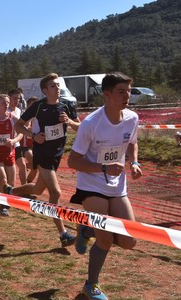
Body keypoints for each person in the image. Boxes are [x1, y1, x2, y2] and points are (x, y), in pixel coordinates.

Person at [67, 72, 141, 300]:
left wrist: (135, 161)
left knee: (129, 241)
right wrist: (103, 168)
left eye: (128, 91)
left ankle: (87, 228)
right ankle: (91, 285)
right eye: (121, 91)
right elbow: (73, 161)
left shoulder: (132, 118)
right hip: (91, 186)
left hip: (117, 187)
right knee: (106, 240)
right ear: (106, 94)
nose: (127, 96)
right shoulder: (91, 123)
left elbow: (131, 143)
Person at [7, 73, 81, 247]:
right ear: (45, 90)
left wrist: (70, 121)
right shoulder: (38, 107)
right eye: (53, 86)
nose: (57, 88)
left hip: (57, 154)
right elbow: (18, 126)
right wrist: (33, 135)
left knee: (38, 189)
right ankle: (63, 234)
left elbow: (80, 127)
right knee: (55, 193)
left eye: (58, 85)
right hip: (42, 154)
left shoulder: (67, 105)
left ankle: (10, 192)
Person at [16, 96, 39, 184]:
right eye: (31, 105)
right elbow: (19, 127)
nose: (34, 107)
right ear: (28, 106)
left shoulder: (39, 118)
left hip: (35, 147)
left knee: (35, 168)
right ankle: (24, 186)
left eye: (35, 105)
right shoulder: (24, 117)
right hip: (21, 146)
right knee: (27, 166)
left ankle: (27, 185)